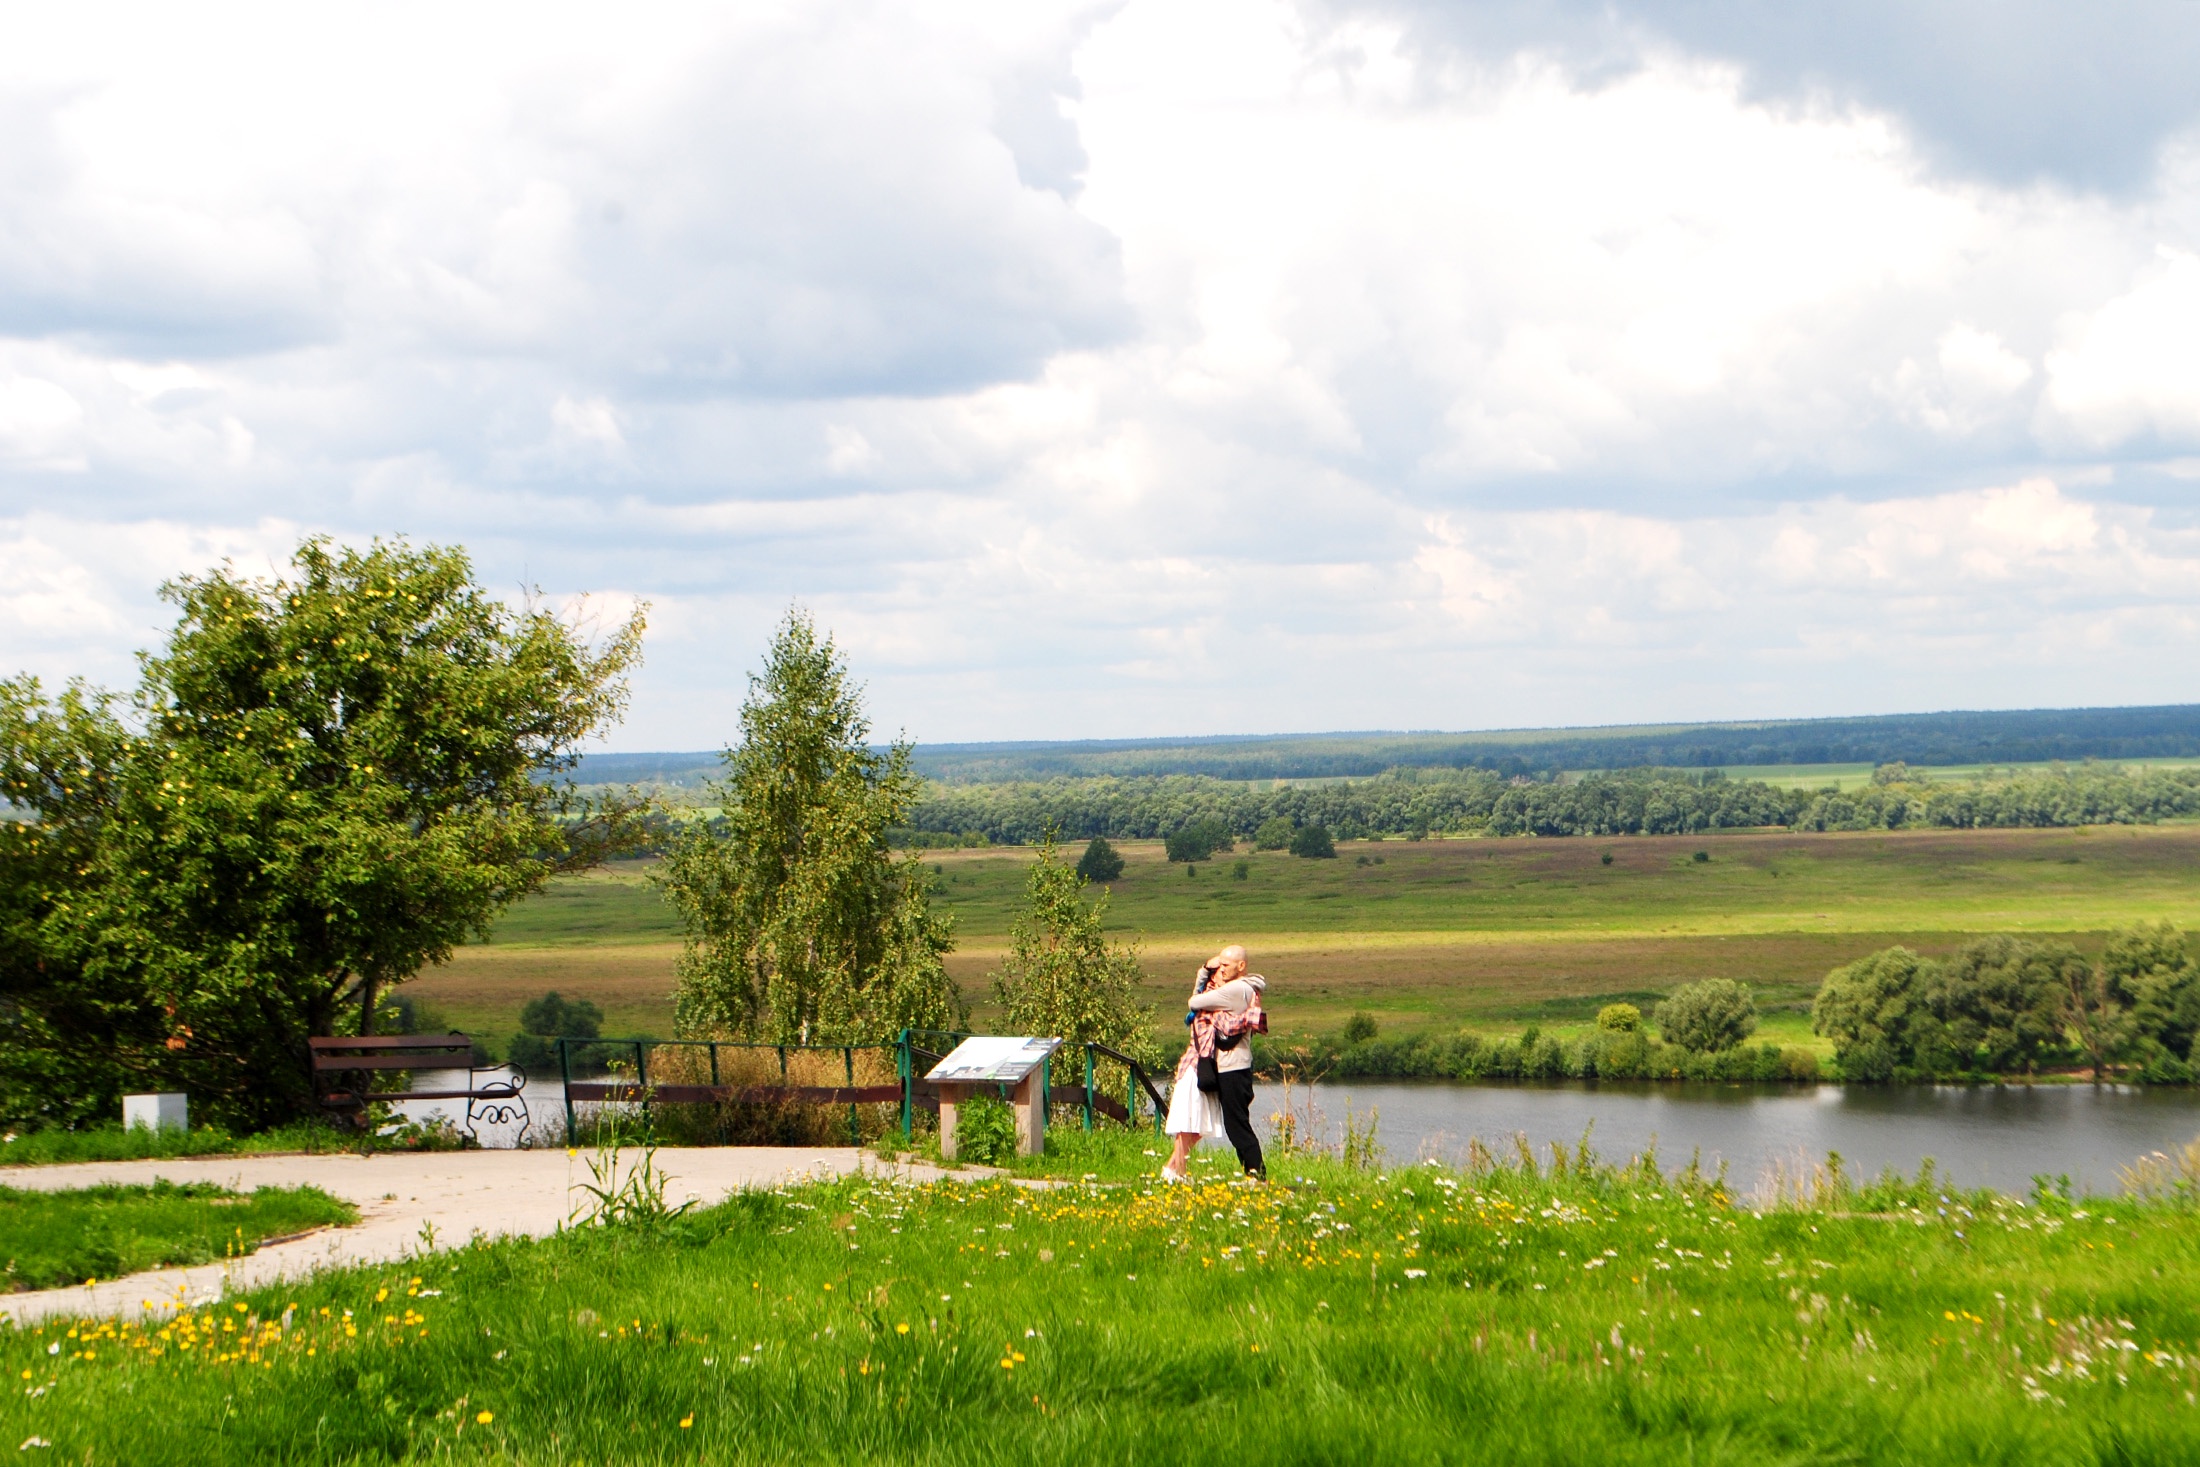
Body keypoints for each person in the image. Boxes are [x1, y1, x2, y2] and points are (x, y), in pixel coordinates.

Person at [1160, 944, 1267, 1182]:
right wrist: (1206, 970)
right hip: (1229, 1067)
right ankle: (1174, 1169)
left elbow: (1195, 1002)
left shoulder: (1236, 990)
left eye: (1225, 966)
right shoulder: (1244, 988)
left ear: (1241, 966)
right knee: (1232, 1124)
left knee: (1237, 1126)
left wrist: (1205, 976)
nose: (1222, 970)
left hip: (1233, 1068)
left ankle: (1257, 1177)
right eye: (1219, 967)